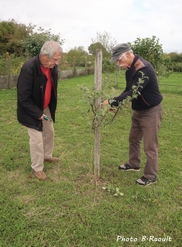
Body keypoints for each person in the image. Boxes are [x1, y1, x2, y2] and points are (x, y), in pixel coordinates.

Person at [102, 43, 163, 186]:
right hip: (139, 110)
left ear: (128, 55)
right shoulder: (130, 69)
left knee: (150, 146)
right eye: (117, 61)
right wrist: (116, 104)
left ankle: (150, 175)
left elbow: (134, 93)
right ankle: (134, 164)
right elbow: (127, 89)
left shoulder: (144, 69)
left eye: (119, 60)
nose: (118, 64)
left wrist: (111, 101)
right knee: (134, 139)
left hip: (151, 111)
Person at [17, 40, 63, 180]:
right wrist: (38, 114)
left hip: (46, 107)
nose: (57, 63)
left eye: (58, 59)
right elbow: (23, 97)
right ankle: (37, 168)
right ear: (44, 56)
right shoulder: (29, 68)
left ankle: (47, 156)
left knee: (49, 133)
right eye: (55, 59)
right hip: (31, 110)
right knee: (37, 140)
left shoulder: (52, 68)